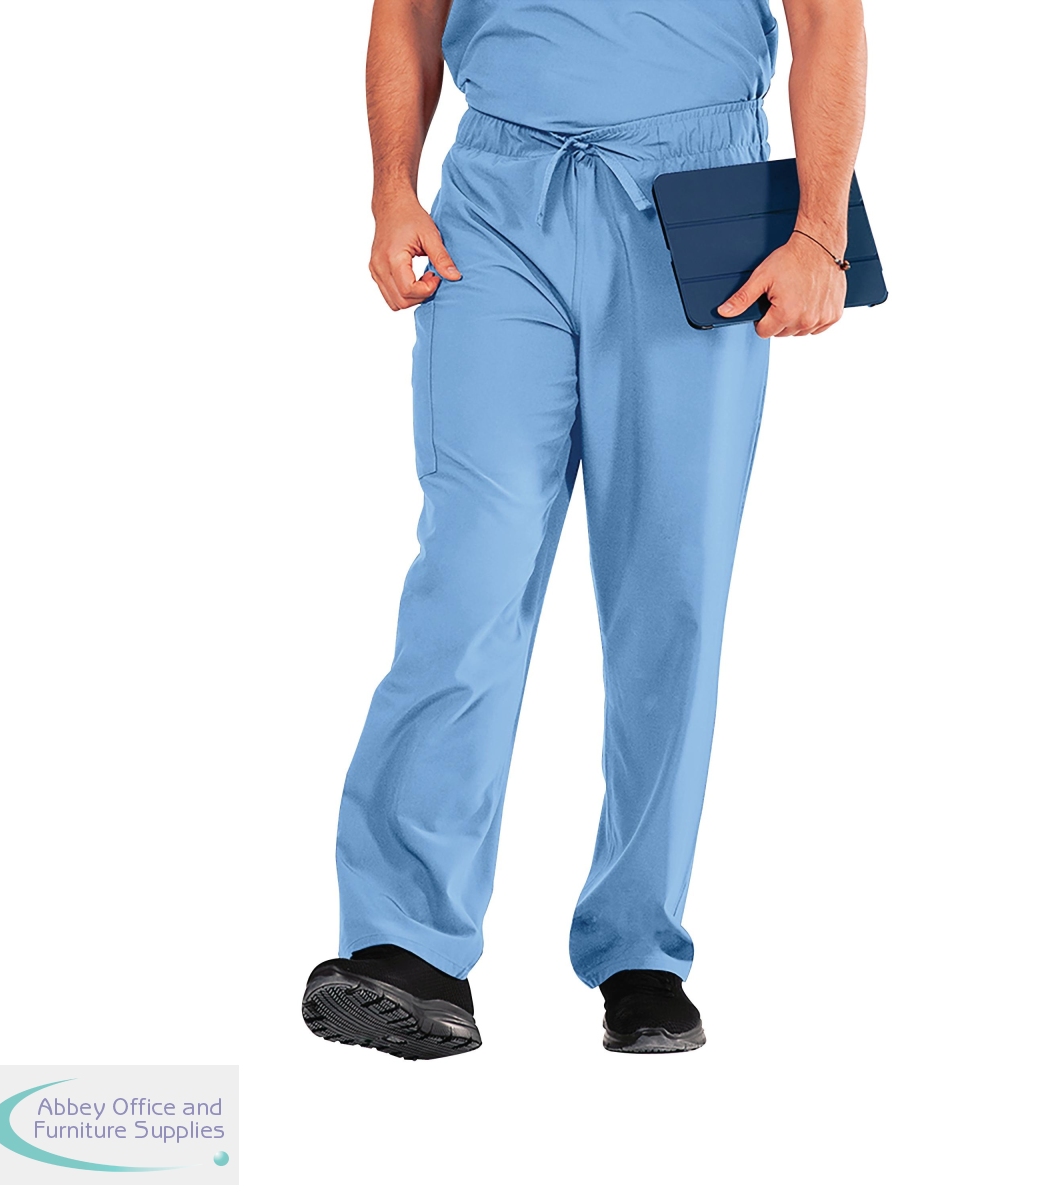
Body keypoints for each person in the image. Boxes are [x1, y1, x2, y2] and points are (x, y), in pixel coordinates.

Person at [302, 0, 867, 1059]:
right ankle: (405, 945)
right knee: (471, 566)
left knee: (671, 591)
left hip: (697, 196)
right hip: (496, 206)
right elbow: (409, 9)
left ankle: (641, 950)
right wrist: (391, 191)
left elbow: (827, 18)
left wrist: (819, 232)